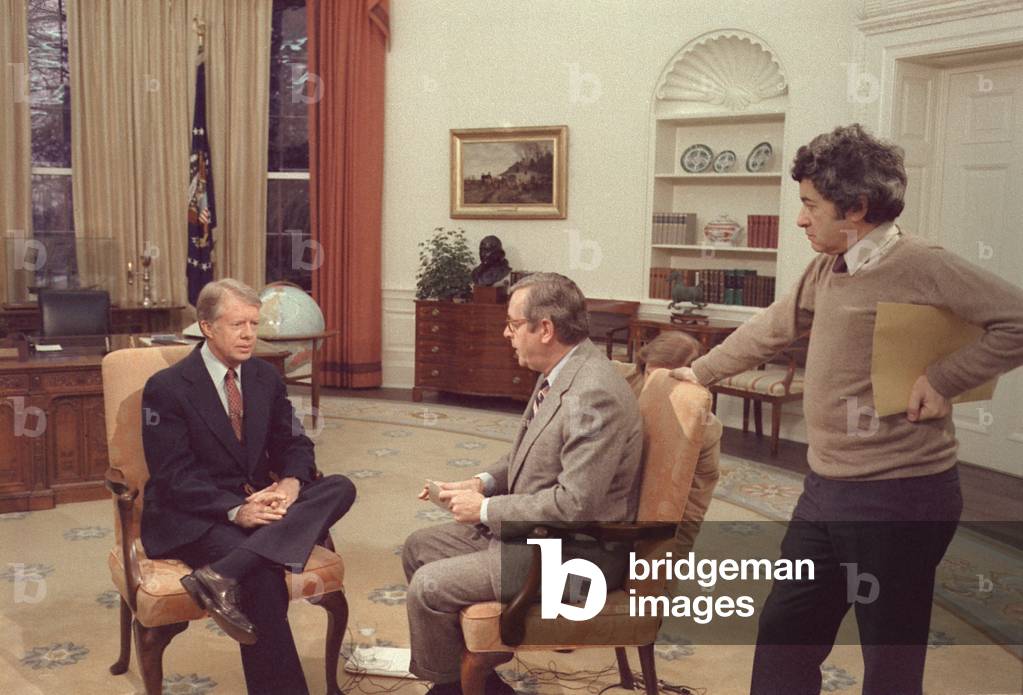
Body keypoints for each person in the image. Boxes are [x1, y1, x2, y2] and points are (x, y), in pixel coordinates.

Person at [672, 124, 1023, 695]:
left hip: (902, 495)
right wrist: (701, 372)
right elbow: (770, 328)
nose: (801, 219)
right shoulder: (827, 265)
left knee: (890, 654)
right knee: (787, 629)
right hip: (826, 488)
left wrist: (945, 377)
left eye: (811, 205)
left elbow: (1017, 318)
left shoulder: (923, 264)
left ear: (856, 208)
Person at [402, 272, 643, 695]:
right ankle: (472, 681)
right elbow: (526, 454)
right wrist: (478, 482)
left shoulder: (592, 393)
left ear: (545, 329)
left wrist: (485, 510)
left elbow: (576, 506)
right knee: (418, 547)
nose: (506, 333)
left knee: (429, 586)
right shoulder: (559, 369)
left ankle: (449, 689)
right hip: (535, 536)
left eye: (513, 324)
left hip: (576, 556)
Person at [140, 278, 356, 695]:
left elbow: (293, 442)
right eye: (238, 324)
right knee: (263, 581)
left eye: (254, 324)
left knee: (339, 487)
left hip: (264, 501)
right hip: (199, 515)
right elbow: (173, 477)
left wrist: (291, 483)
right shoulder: (167, 389)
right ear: (206, 326)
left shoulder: (263, 377)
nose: (249, 335)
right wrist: (237, 510)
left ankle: (220, 574)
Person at [623, 330, 721, 549]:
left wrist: (669, 569)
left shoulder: (706, 431)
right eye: (651, 375)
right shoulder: (628, 380)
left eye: (667, 379)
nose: (655, 386)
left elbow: (693, 512)